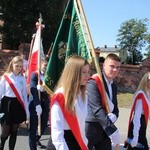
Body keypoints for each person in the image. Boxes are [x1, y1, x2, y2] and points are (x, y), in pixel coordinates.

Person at [50, 55, 90, 150]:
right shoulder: (60, 95)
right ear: (73, 73)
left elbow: (81, 124)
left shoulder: (83, 95)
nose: (88, 76)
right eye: (84, 72)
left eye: (88, 72)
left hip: (77, 141)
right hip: (62, 144)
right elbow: (57, 131)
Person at [85, 53, 121, 150]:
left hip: (105, 128)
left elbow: (115, 107)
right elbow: (96, 108)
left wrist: (114, 116)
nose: (115, 70)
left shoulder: (113, 85)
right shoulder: (93, 82)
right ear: (104, 65)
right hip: (92, 126)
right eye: (112, 66)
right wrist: (111, 129)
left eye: (118, 67)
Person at [0, 56, 29, 150]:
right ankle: (1, 146)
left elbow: (24, 95)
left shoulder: (22, 79)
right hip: (6, 105)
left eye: (21, 66)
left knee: (14, 130)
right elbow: (0, 93)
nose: (19, 68)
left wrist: (27, 111)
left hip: (17, 105)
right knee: (5, 130)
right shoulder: (5, 77)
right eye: (17, 66)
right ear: (12, 65)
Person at [124, 72, 150, 150]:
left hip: (142, 125)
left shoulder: (148, 93)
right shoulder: (141, 94)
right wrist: (135, 136)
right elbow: (137, 116)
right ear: (146, 81)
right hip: (137, 125)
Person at [28, 59, 50, 150]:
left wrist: (43, 90)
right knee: (33, 129)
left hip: (45, 104)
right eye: (45, 65)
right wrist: (37, 105)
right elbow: (33, 89)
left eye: (47, 65)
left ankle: (36, 139)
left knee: (43, 125)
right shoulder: (35, 74)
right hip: (35, 104)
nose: (46, 67)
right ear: (40, 65)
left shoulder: (49, 76)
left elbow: (51, 90)